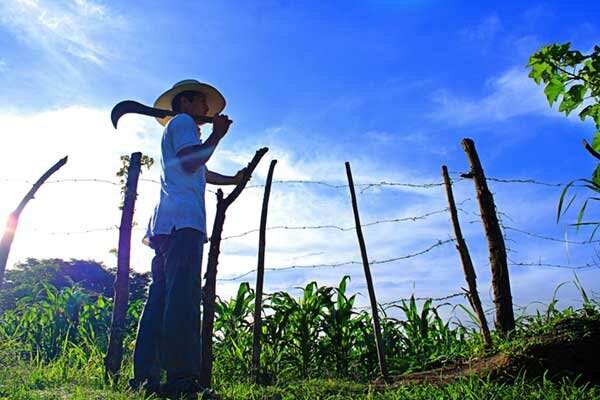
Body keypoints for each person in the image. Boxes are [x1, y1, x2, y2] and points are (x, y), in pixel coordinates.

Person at [129, 79, 245, 399]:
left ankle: (146, 378)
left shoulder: (182, 132)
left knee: (161, 301)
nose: (207, 109)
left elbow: (198, 170)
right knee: (182, 301)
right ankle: (181, 381)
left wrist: (234, 178)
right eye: (201, 103)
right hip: (182, 226)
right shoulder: (183, 124)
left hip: (168, 226)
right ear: (185, 104)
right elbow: (194, 160)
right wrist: (217, 135)